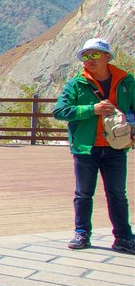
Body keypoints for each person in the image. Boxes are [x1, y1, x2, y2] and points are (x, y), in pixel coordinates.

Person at [52, 38, 135, 254]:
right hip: (85, 147)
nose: (89, 59)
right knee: (83, 193)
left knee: (117, 193)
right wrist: (92, 109)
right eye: (85, 56)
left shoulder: (126, 82)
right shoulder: (76, 84)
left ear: (107, 57)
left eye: (94, 54)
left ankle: (124, 237)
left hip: (116, 147)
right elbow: (60, 111)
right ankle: (82, 233)